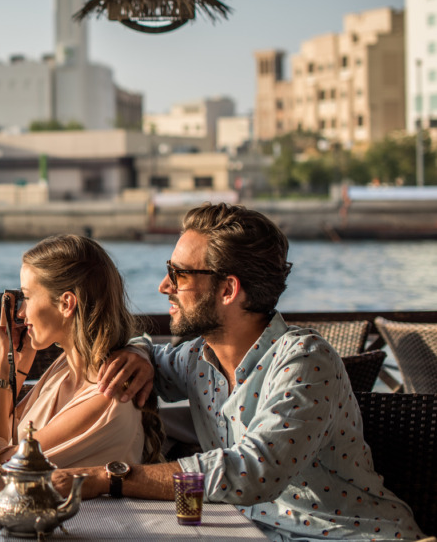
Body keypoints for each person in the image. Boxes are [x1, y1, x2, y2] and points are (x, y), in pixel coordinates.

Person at [61, 203, 422, 541]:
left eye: (179, 274)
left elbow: (250, 472)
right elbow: (149, 354)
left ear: (228, 289)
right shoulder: (197, 359)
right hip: (250, 531)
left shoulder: (305, 361)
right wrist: (138, 352)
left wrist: (106, 478)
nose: (164, 286)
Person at [0, 234, 164, 492]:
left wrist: (4, 365)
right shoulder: (65, 369)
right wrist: (17, 362)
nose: (20, 312)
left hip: (93, 529)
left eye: (27, 297)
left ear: (66, 303)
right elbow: (5, 439)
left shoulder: (106, 393)